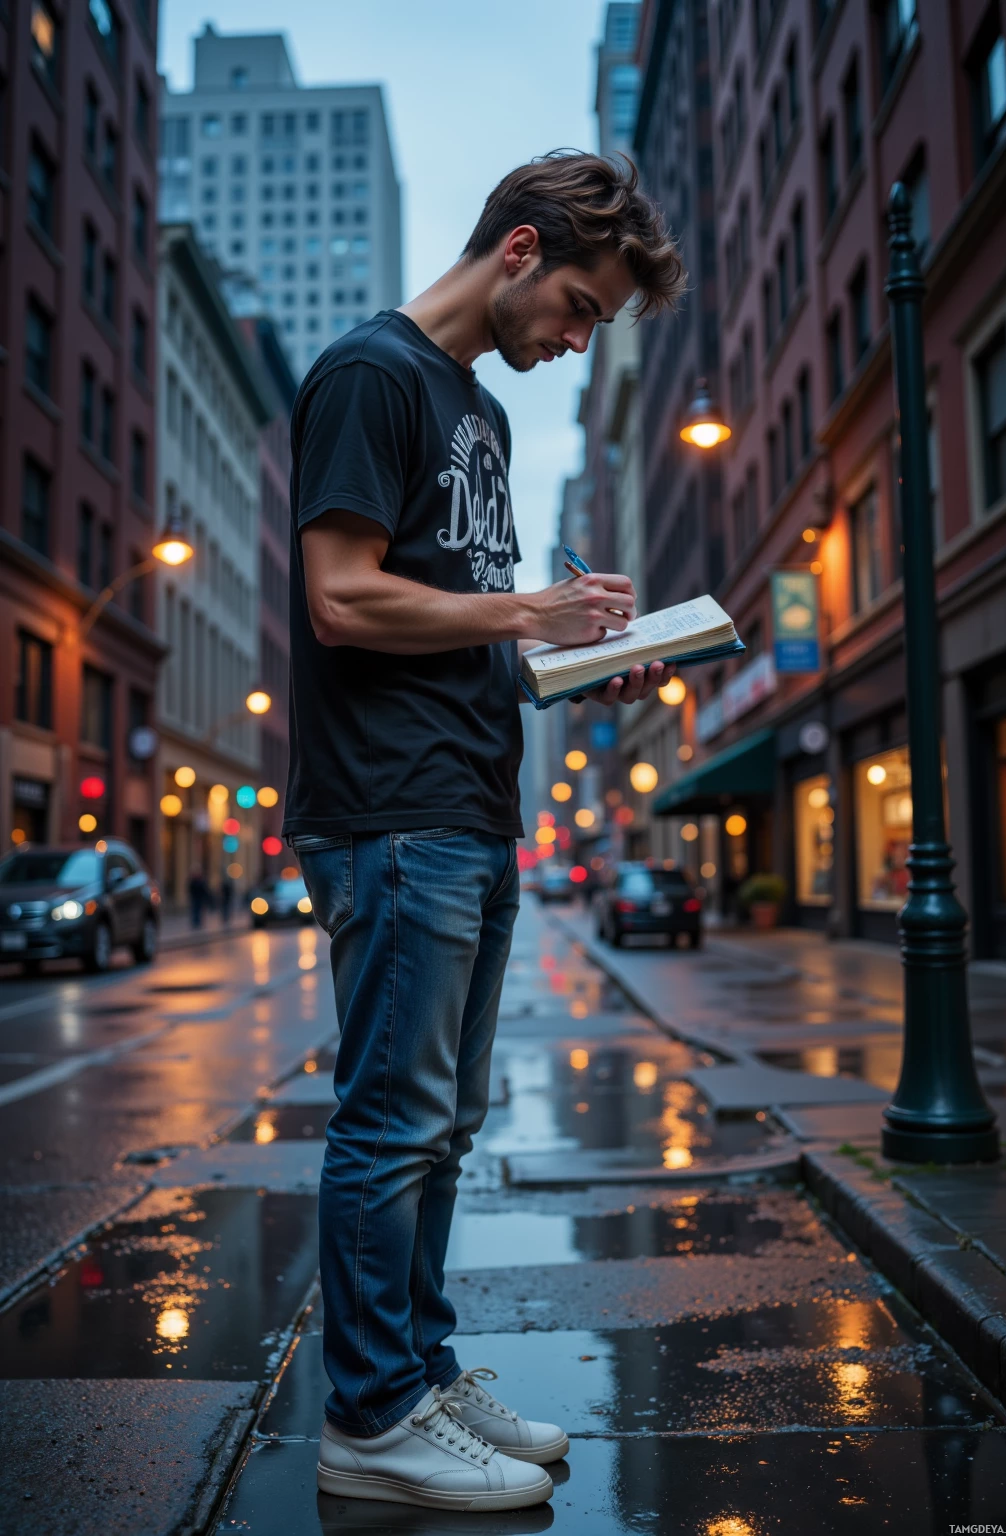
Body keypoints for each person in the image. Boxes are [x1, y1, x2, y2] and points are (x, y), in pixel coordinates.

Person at [285, 150, 685, 1513]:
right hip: (389, 813)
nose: (577, 341)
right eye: (579, 305)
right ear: (518, 250)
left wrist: (578, 664)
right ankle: (371, 1415)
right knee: (389, 1123)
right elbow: (342, 600)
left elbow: (468, 641)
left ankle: (422, 1374)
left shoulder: (483, 422)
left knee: (441, 1125)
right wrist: (530, 612)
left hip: (466, 799)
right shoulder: (370, 375)